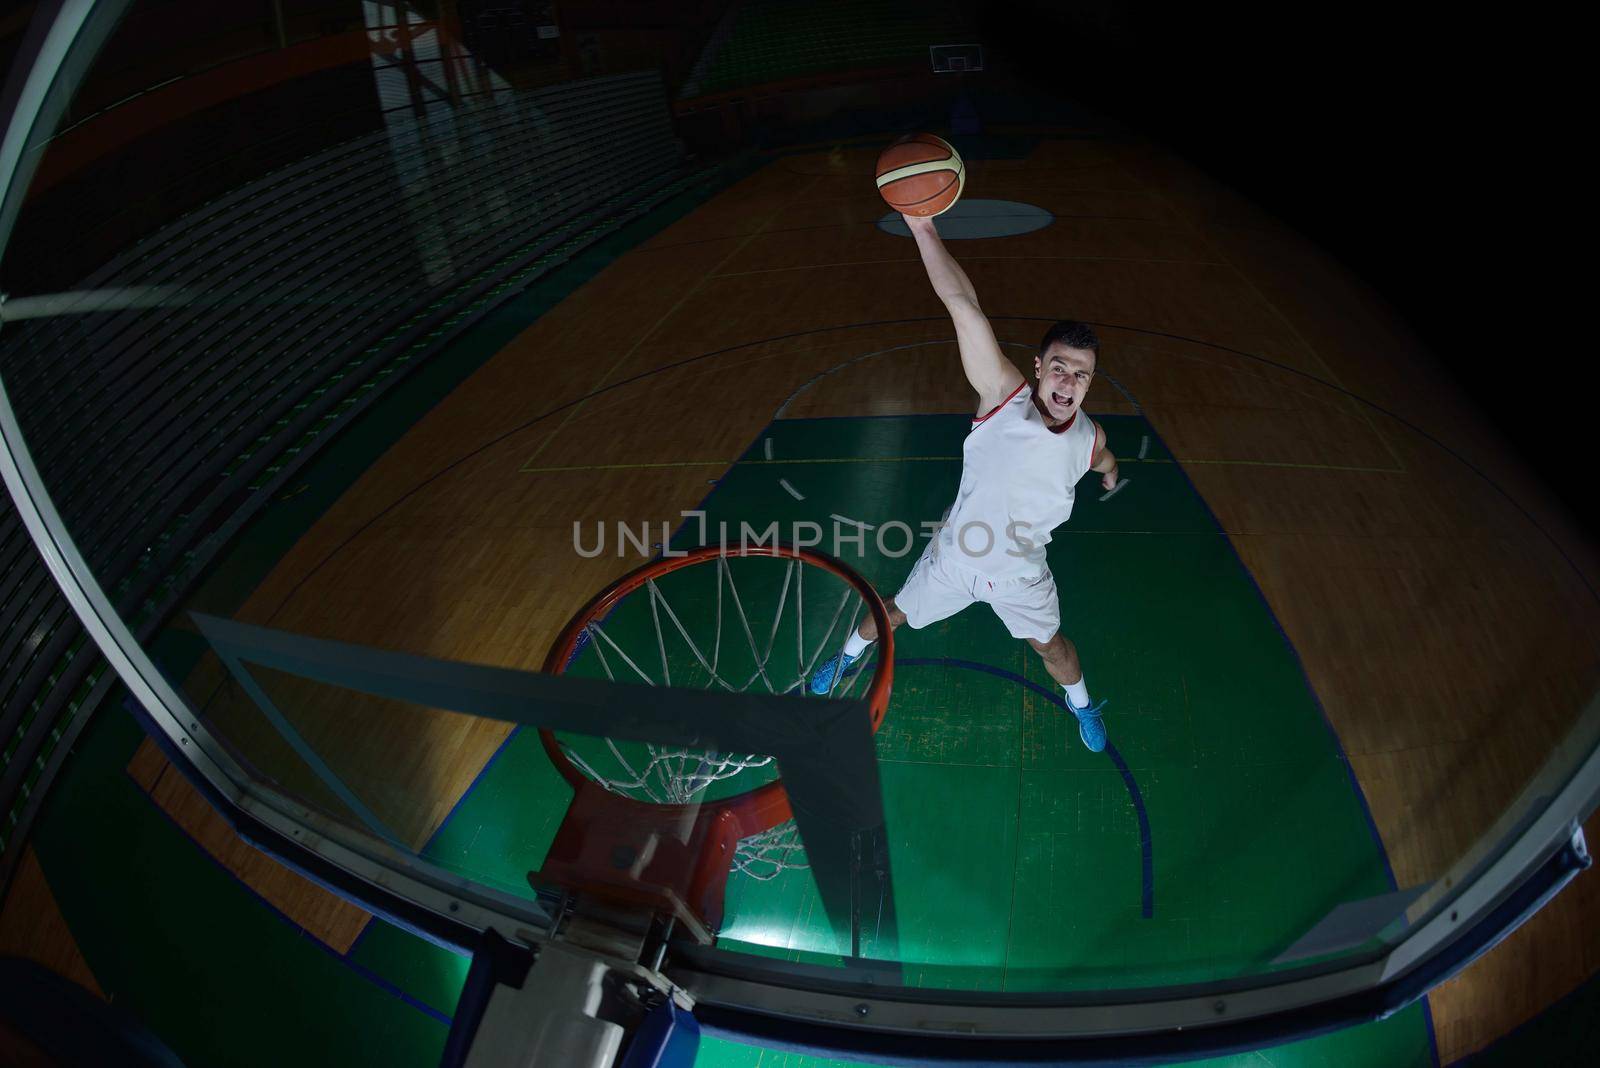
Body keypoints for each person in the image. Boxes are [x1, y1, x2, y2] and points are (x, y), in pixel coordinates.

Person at [810, 212, 1118, 752]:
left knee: (1052, 650)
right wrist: (922, 226)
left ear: (1089, 383)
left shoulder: (1088, 437)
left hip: (1022, 576)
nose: (1069, 381)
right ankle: (845, 658)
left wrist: (1111, 472)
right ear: (1039, 366)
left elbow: (1101, 457)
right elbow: (964, 307)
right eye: (1061, 367)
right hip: (956, 558)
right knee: (893, 612)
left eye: (1082, 373)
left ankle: (1083, 704)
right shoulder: (1003, 396)